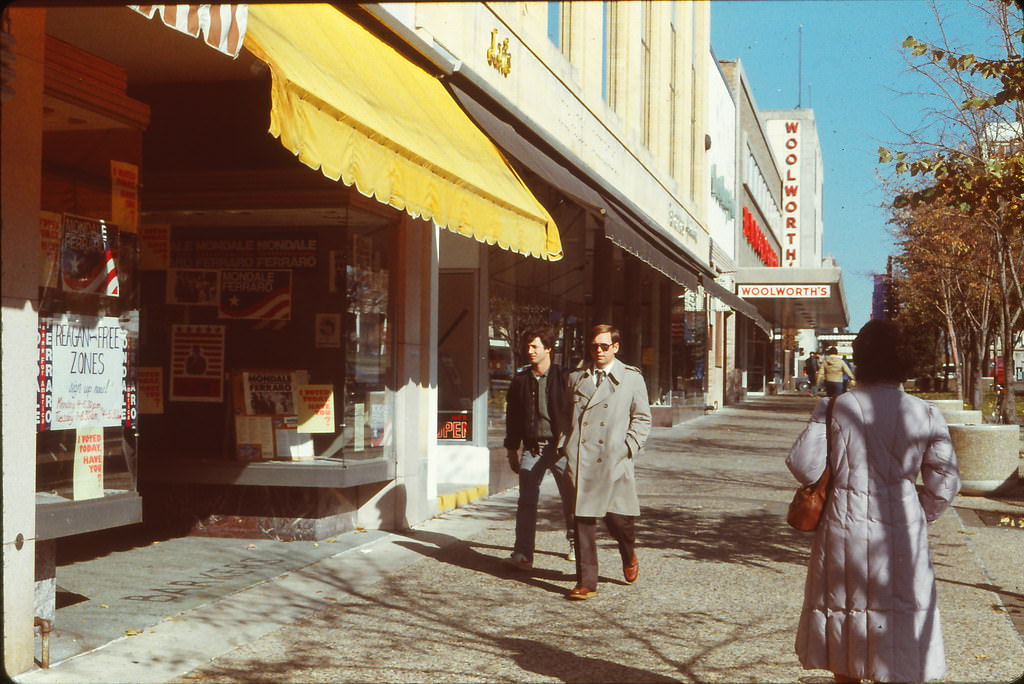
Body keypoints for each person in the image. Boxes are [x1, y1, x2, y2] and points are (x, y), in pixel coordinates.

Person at [786, 320, 961, 683]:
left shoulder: (835, 407)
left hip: (843, 526)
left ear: (861, 357)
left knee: (844, 615)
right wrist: (917, 513)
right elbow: (944, 483)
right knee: (896, 624)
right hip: (901, 531)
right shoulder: (925, 413)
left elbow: (804, 467)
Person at [560, 324, 651, 600]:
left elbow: (643, 418)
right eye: (594, 346)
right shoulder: (577, 378)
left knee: (619, 521)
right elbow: (567, 415)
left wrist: (628, 447)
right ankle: (586, 581)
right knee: (583, 519)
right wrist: (565, 446)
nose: (598, 351)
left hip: (614, 459)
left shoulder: (631, 378)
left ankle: (628, 553)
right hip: (583, 460)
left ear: (615, 347)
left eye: (603, 346)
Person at [503, 327, 575, 570]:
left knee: (571, 497)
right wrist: (512, 450)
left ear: (548, 349)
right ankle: (523, 553)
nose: (530, 351)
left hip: (560, 447)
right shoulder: (521, 381)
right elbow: (512, 418)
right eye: (528, 347)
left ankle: (575, 542)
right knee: (526, 500)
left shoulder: (565, 378)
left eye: (535, 346)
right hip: (533, 447)